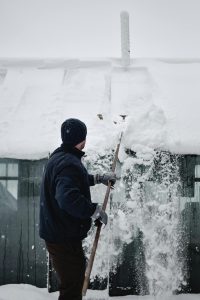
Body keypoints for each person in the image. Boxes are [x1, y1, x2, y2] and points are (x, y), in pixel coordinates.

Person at [39, 118, 116, 300]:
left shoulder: (59, 158)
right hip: (63, 238)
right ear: (82, 139)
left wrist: (97, 178)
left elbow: (73, 180)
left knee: (73, 281)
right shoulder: (68, 163)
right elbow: (67, 197)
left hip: (59, 234)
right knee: (72, 289)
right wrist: (93, 210)